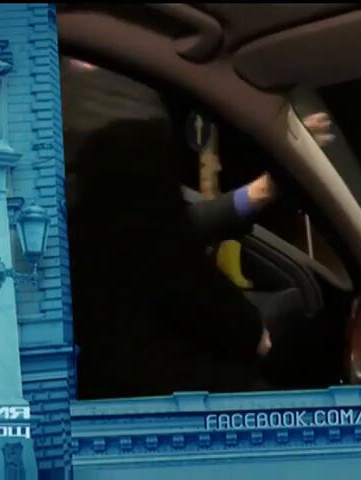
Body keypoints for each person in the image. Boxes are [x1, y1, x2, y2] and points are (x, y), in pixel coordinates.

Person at [68, 113, 333, 398]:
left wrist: (265, 187)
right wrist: (256, 332)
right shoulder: (158, 249)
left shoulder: (83, 238)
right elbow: (239, 327)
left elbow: (190, 222)